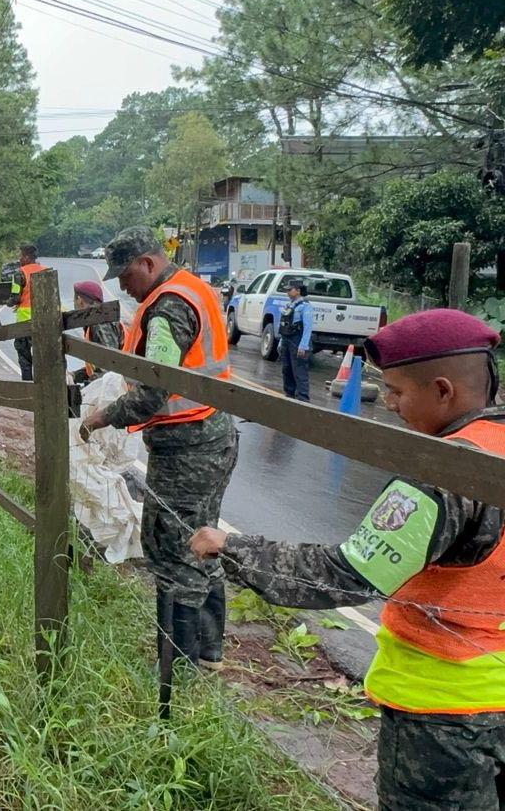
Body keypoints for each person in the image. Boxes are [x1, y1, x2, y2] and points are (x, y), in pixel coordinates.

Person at [190, 308, 504, 811]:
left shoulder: (444, 473)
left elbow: (347, 575)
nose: (393, 404)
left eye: (399, 391)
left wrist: (231, 546)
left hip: (446, 711)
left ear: (443, 390)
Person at [79, 226, 237, 669]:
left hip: (186, 446)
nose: (124, 287)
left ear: (148, 264)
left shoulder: (167, 309)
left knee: (171, 548)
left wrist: (102, 416)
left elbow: (154, 390)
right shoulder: (192, 288)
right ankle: (209, 650)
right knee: (203, 537)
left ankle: (178, 663)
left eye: (126, 276)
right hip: (213, 433)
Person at [67, 279, 125, 418]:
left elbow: (109, 365)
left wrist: (86, 390)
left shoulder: (100, 322)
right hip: (117, 385)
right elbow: (97, 365)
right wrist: (75, 375)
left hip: (117, 390)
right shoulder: (95, 321)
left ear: (80, 300)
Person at [7, 245, 48, 381]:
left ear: (26, 257)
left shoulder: (20, 273)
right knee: (43, 355)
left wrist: (9, 302)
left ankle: (28, 385)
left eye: (21, 255)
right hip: (45, 319)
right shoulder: (46, 270)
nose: (19, 259)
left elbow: (15, 297)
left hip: (25, 321)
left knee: (24, 355)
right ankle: (44, 384)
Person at [279, 278, 313, 402]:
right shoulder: (289, 305)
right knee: (286, 369)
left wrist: (303, 346)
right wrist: (281, 342)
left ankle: (303, 399)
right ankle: (289, 395)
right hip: (287, 340)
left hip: (298, 341)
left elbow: (308, 327)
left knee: (299, 372)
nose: (288, 292)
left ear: (298, 291)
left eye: (290, 290)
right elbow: (284, 325)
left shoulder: (305, 306)